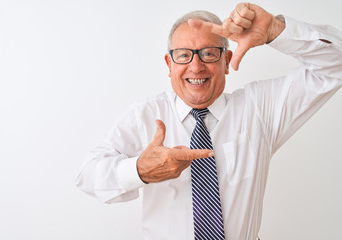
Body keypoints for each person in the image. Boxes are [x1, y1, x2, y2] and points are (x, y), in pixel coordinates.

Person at [75, 2, 342, 240]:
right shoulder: (144, 115)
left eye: (209, 53)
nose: (196, 66)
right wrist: (140, 170)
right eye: (183, 55)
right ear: (169, 64)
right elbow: (86, 175)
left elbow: (336, 66)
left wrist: (275, 29)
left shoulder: (260, 107)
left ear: (226, 60)